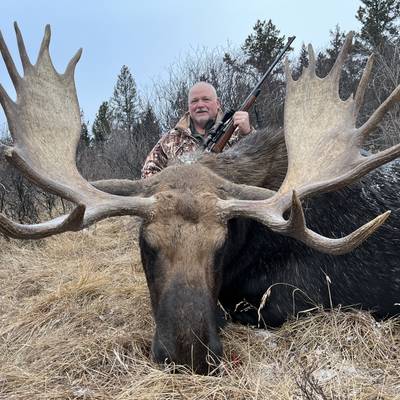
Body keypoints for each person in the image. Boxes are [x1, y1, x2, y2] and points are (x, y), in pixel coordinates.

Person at [141, 82, 255, 178]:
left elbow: (257, 165)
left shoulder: (237, 131)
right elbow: (148, 172)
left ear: (218, 103)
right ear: (189, 106)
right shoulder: (171, 139)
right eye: (194, 101)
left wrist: (248, 133)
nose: (200, 105)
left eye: (206, 99)